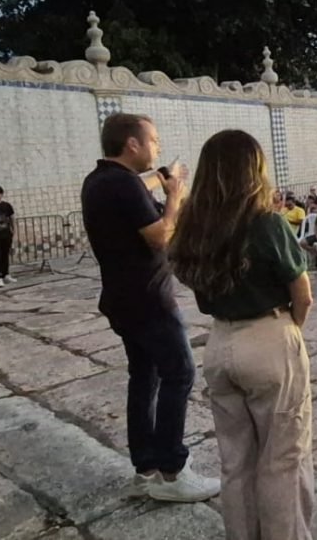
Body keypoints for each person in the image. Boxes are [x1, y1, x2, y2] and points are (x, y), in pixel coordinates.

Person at [168, 130, 313, 538]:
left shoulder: (193, 227)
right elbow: (302, 294)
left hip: (220, 343)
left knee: (235, 462)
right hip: (268, 337)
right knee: (283, 460)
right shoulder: (266, 223)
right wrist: (288, 332)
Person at [80, 113, 219, 502]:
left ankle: (145, 469)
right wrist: (175, 196)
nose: (157, 146)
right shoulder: (122, 186)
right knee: (180, 373)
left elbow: (136, 189)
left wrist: (161, 178)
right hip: (147, 300)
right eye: (153, 140)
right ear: (132, 144)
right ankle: (174, 471)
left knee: (144, 379)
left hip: (123, 299)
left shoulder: (99, 180)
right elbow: (159, 237)